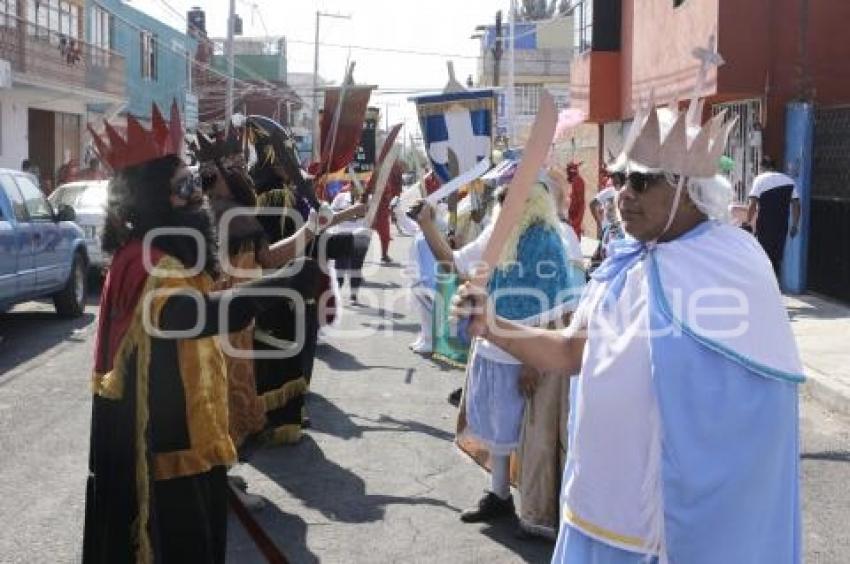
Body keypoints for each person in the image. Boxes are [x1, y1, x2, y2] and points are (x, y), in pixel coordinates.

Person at [452, 104, 803, 562]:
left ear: (688, 188)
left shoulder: (732, 263)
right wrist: (491, 326)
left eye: (640, 181)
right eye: (619, 180)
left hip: (689, 522)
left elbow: (751, 408)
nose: (622, 195)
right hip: (604, 500)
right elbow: (571, 353)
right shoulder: (626, 262)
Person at [83, 104, 316, 563]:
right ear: (152, 196)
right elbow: (192, 315)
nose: (197, 196)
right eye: (185, 186)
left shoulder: (158, 250)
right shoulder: (150, 261)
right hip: (168, 453)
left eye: (195, 183)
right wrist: (282, 285)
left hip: (194, 437)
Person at [413, 176, 582, 535]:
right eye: (502, 197)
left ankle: (536, 511)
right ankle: (499, 495)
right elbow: (454, 265)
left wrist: (532, 362)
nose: (504, 203)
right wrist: (426, 225)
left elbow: (551, 306)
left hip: (529, 351)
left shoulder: (547, 239)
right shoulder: (497, 233)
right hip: (492, 346)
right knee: (496, 423)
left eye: (512, 197)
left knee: (533, 434)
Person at [745, 155, 801, 277]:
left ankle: (764, 283)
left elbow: (753, 203)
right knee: (777, 256)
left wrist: (748, 223)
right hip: (782, 225)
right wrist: (795, 225)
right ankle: (775, 283)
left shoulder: (760, 179)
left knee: (763, 255)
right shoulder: (789, 181)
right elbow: (796, 204)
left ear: (762, 167)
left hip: (765, 224)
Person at [566, 161, 585, 239]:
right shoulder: (572, 182)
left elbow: (581, 204)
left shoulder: (578, 181)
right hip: (569, 219)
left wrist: (576, 222)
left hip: (574, 221)